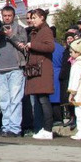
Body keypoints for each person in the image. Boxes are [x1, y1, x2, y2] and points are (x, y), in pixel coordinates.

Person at [0, 6, 27, 137]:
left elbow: (23, 46)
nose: (7, 18)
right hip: (0, 69)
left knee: (15, 99)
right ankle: (6, 127)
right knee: (4, 100)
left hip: (16, 68)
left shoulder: (20, 29)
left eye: (9, 15)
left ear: (14, 16)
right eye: (5, 15)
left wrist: (11, 35)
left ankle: (15, 128)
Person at [23, 8, 55, 140]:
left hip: (43, 69)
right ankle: (43, 128)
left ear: (42, 17)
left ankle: (48, 129)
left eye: (35, 17)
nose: (32, 20)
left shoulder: (46, 30)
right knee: (39, 100)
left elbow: (50, 47)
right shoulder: (36, 31)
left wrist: (33, 45)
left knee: (43, 100)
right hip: (36, 69)